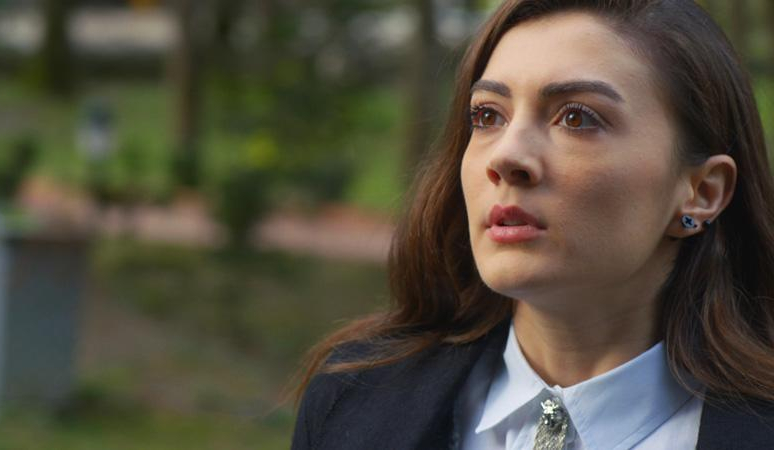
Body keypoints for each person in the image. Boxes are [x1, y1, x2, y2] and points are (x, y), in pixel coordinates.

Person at [291, 0, 774, 448]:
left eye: (577, 118)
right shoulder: (350, 399)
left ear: (701, 192)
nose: (506, 156)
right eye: (487, 116)